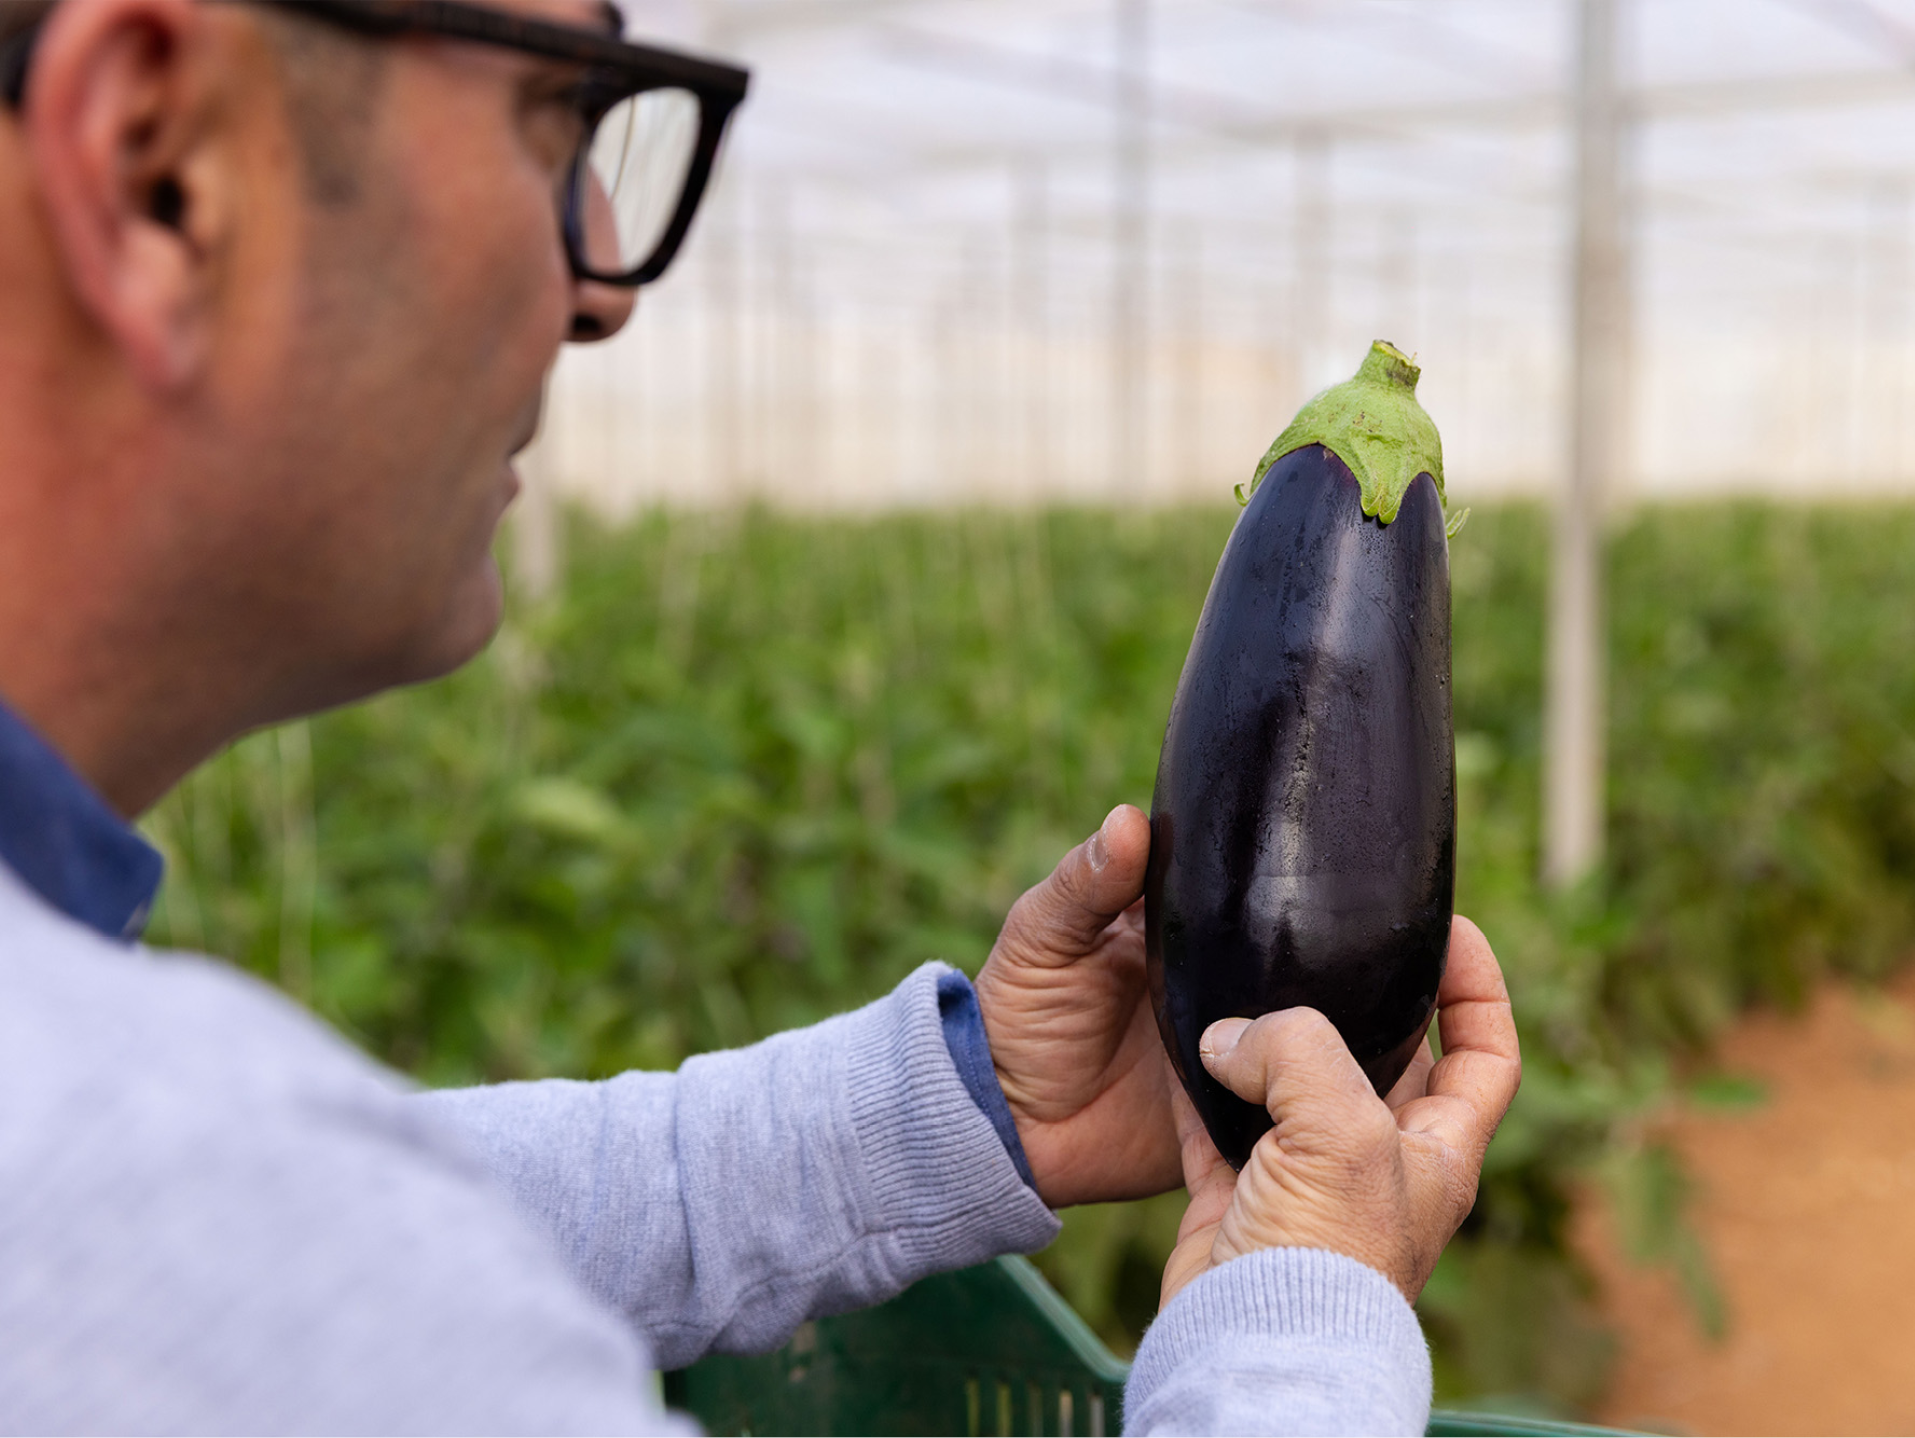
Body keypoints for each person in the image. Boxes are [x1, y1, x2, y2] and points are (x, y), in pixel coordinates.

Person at [0, 0, 1523, 1432]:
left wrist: (955, 1103)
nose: (602, 280)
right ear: (156, 159)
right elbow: (264, 1247)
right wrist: (1304, 1319)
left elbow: (312, 1226)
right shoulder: (126, 1205)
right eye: (555, 117)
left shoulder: (122, 1158)